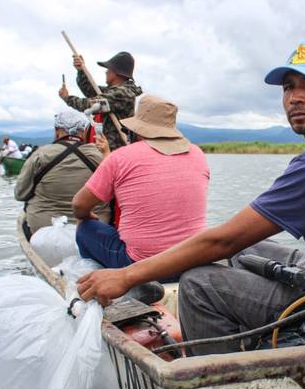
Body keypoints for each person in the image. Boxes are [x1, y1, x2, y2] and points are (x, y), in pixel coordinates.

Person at [76, 41, 305, 355]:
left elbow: (223, 241)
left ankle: (224, 375)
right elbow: (233, 239)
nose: (295, 97)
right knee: (244, 249)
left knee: (198, 285)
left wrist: (126, 275)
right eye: (289, 87)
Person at [72, 94, 209, 277]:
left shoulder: (121, 156)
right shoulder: (198, 154)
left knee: (85, 228)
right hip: (190, 261)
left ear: (137, 130)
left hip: (139, 265)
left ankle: (101, 276)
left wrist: (86, 216)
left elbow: (79, 205)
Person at [15, 111, 110, 235]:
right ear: (84, 131)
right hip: (93, 230)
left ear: (56, 131)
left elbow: (20, 194)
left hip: (44, 229)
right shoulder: (100, 156)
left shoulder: (39, 155)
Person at [59, 51, 143, 150]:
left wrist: (66, 98)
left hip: (115, 150)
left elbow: (89, 105)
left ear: (116, 73)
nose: (106, 72)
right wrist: (81, 71)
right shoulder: (117, 91)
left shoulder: (122, 94)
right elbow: (91, 90)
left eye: (109, 69)